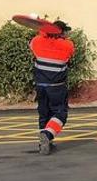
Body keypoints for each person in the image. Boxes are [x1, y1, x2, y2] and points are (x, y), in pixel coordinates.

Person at [31, 20, 75, 155]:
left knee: (44, 114)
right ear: (61, 32)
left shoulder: (37, 41)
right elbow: (69, 58)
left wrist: (42, 31)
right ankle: (47, 135)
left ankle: (44, 144)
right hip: (57, 87)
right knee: (60, 114)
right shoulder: (68, 45)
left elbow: (33, 46)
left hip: (40, 86)